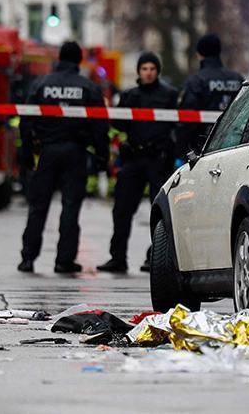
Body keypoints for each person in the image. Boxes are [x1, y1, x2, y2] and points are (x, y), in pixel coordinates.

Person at [19, 41, 108, 274]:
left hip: (47, 151)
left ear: (59, 58)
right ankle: (63, 260)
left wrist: (26, 152)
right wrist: (102, 156)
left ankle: (28, 258)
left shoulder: (41, 85)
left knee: (38, 206)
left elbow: (26, 120)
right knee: (70, 208)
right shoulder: (88, 87)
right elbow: (100, 125)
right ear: (79, 60)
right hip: (75, 152)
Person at [98, 52, 178, 273]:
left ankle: (157, 257)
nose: (148, 73)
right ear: (139, 71)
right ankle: (117, 257)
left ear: (157, 71)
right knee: (122, 209)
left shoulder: (169, 95)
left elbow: (178, 125)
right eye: (144, 69)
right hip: (134, 157)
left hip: (158, 159)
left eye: (152, 69)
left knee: (160, 211)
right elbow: (118, 124)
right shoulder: (129, 95)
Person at [175, 34, 243, 156]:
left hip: (203, 147)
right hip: (235, 144)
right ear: (219, 51)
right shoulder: (237, 79)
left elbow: (187, 120)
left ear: (199, 54)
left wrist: (180, 152)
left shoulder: (196, 81)